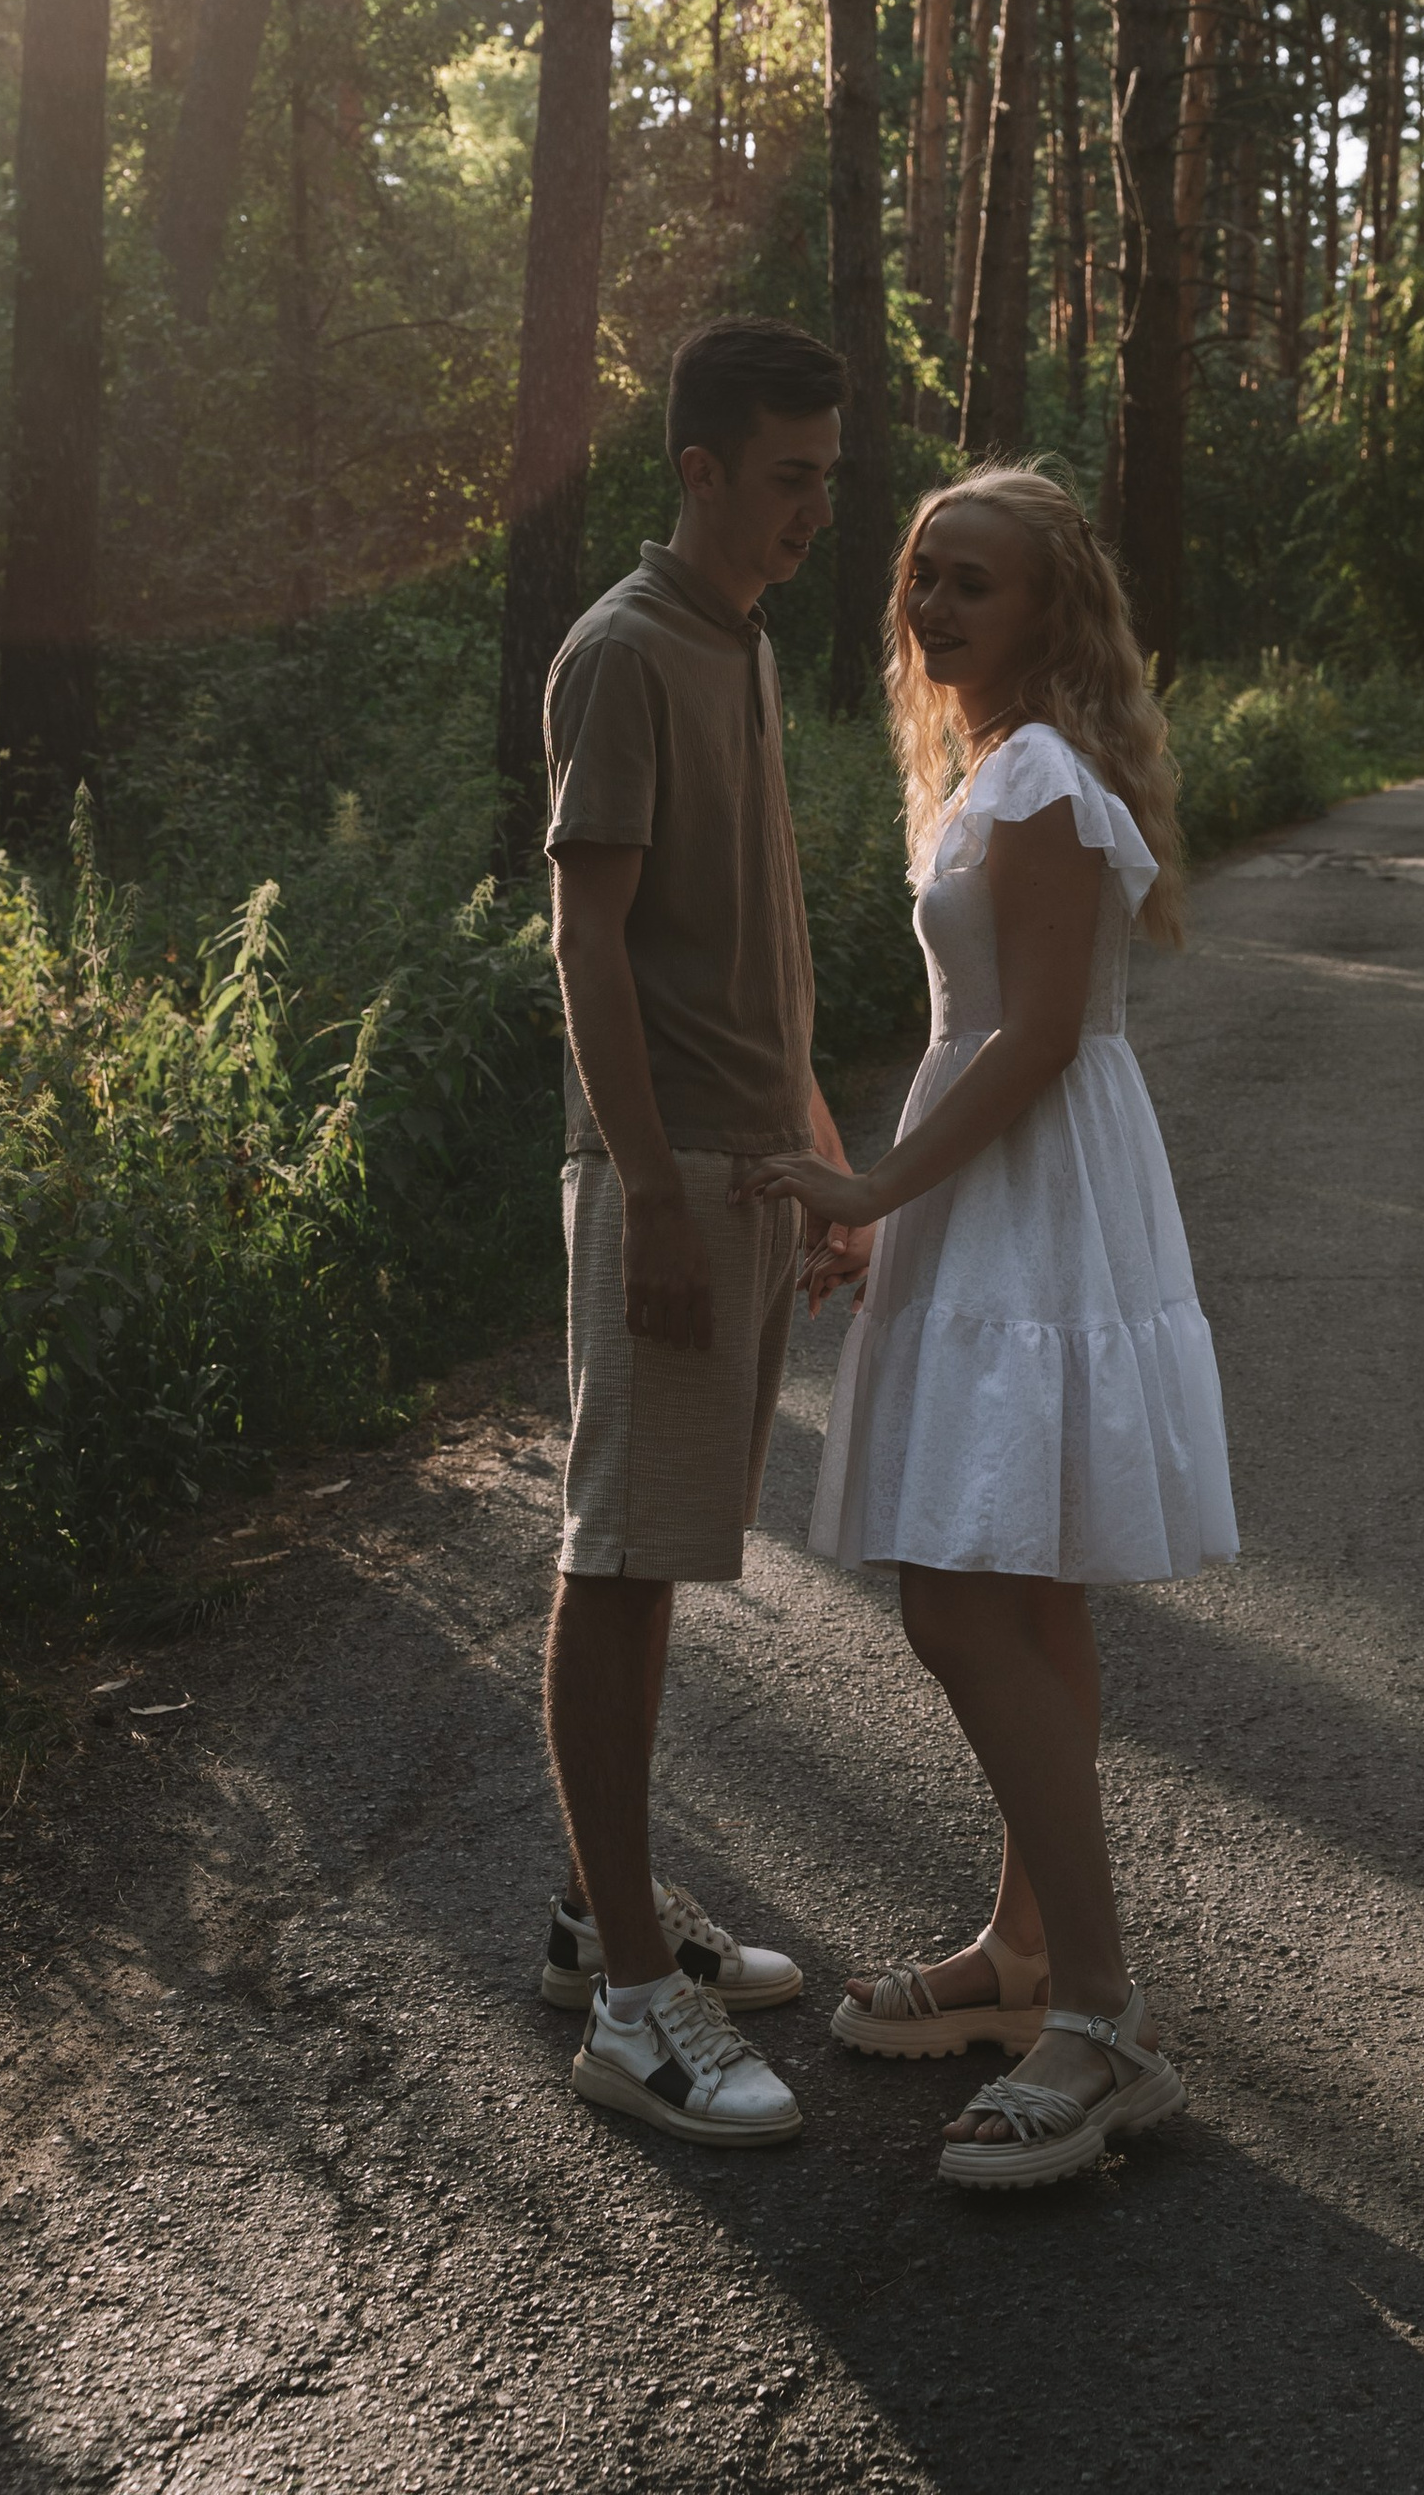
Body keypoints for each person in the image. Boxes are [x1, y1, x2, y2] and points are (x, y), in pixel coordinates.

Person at [739, 464, 1237, 2192]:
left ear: (1050, 612)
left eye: (975, 584)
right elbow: (992, 1043)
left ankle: (1100, 2018)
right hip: (1008, 1193)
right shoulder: (1008, 771)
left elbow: (1025, 1044)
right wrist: (899, 1218)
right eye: (922, 580)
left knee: (962, 1598)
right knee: (1019, 1584)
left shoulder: (1033, 778)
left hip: (1028, 1191)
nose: (936, 609)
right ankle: (1026, 1960)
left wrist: (872, 1193)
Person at [535, 314, 857, 2148]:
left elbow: (750, 936)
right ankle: (635, 2011)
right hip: (661, 1185)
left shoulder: (738, 645)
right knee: (620, 1553)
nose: (819, 509)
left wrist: (806, 1146)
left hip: (743, 1172)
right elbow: (588, 942)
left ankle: (604, 1916)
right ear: (702, 471)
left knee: (660, 1556)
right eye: (791, 476)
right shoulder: (625, 651)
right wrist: (653, 1192)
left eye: (831, 475)